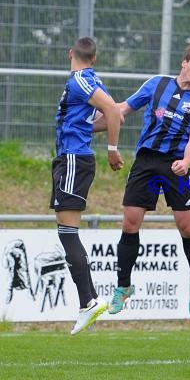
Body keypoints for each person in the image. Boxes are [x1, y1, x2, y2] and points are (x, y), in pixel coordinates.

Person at [104, 42, 190, 318]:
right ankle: (123, 287)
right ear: (184, 62)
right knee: (130, 221)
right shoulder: (156, 84)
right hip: (146, 160)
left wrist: (187, 162)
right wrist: (93, 119)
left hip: (176, 163)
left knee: (187, 227)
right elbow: (123, 109)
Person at [50, 36, 123, 335]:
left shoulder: (80, 80)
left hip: (73, 159)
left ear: (71, 54)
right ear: (94, 58)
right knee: (66, 231)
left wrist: (112, 149)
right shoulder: (93, 78)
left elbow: (113, 112)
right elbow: (109, 115)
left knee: (68, 233)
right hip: (74, 159)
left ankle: (88, 301)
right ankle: (88, 301)